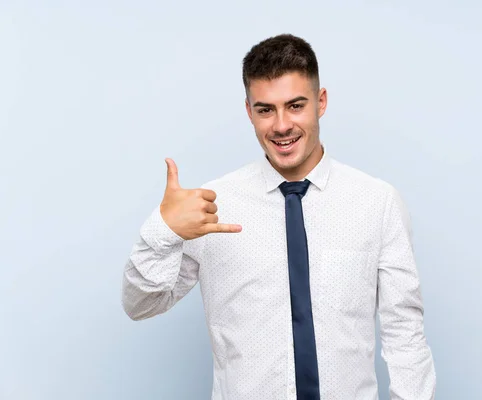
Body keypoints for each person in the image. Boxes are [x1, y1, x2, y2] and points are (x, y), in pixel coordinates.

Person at [122, 33, 436, 400]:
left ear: (321, 102)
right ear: (248, 111)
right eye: (265, 109)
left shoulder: (377, 203)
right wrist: (162, 233)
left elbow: (405, 335)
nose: (281, 125)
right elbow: (140, 305)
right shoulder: (211, 206)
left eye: (296, 105)